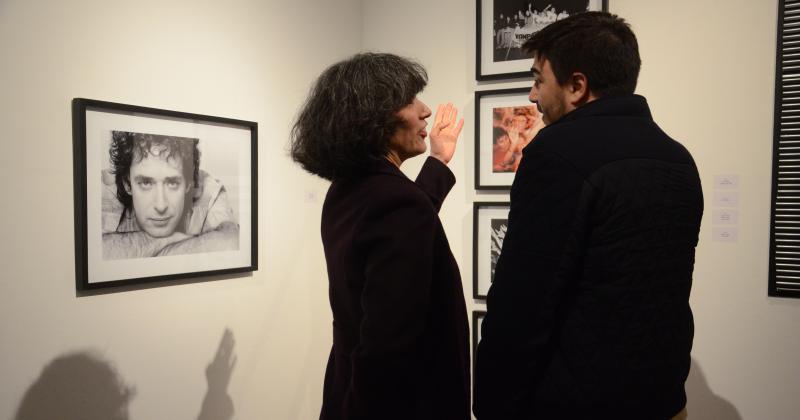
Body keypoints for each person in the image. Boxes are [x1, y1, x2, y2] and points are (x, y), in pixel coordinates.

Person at [474, 12, 703, 420]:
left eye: (539, 80)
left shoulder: (558, 152)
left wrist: (490, 402)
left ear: (577, 86)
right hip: (661, 396)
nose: (531, 96)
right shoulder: (677, 157)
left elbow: (524, 298)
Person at [289, 52, 468, 420]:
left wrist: (437, 163)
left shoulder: (349, 190)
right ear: (373, 118)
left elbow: (402, 236)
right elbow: (387, 347)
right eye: (409, 100)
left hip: (348, 389)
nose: (426, 110)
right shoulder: (395, 202)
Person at [102, 131, 238, 259]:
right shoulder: (103, 189)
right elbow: (94, 255)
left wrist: (136, 251)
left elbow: (232, 243)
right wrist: (175, 240)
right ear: (127, 183)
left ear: (189, 182)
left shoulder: (209, 190)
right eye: (145, 183)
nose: (161, 206)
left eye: (172, 183)